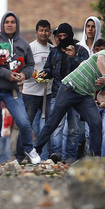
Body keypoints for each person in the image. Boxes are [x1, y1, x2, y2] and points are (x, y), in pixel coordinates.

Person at [35, 46, 105, 157]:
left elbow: (102, 94)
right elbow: (100, 60)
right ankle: (35, 151)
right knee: (53, 122)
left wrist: (103, 102)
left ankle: (95, 156)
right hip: (70, 88)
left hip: (85, 96)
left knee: (96, 122)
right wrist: (104, 76)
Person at [0, 12, 41, 165]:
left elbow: (30, 66)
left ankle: (29, 149)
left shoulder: (23, 45)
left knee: (24, 122)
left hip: (12, 92)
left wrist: (23, 75)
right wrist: (8, 74)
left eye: (13, 22)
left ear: (16, 24)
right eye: (7, 22)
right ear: (3, 24)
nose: (9, 24)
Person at [41, 22, 89, 163]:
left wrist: (73, 57)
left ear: (70, 36)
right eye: (59, 36)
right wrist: (44, 73)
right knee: (56, 126)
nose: (62, 38)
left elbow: (85, 70)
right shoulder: (54, 52)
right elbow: (49, 69)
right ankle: (56, 155)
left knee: (73, 129)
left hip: (76, 95)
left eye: (65, 36)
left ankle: (70, 158)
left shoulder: (81, 51)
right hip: (57, 94)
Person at [15, 19, 53, 162]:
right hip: (30, 93)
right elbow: (21, 67)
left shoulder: (52, 49)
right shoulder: (29, 48)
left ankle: (46, 156)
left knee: (50, 125)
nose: (44, 33)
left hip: (47, 94)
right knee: (25, 125)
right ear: (36, 32)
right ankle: (19, 156)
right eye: (41, 30)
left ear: (49, 32)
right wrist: (34, 74)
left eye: (46, 30)